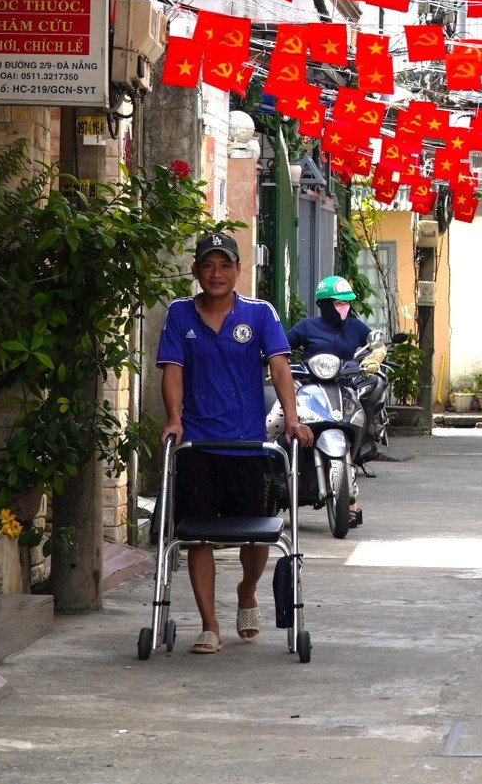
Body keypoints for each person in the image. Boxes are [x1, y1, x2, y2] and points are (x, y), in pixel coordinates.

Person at [158, 232, 312, 655]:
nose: (216, 274)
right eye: (208, 265)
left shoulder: (260, 314)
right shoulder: (179, 315)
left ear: (239, 270)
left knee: (257, 538)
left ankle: (247, 592)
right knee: (198, 536)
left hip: (248, 445)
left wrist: (292, 420)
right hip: (197, 445)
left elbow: (280, 369)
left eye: (224, 265)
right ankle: (209, 625)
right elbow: (172, 370)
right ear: (196, 272)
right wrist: (174, 419)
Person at [284, 275, 372, 522]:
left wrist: (376, 356)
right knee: (273, 422)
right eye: (338, 303)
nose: (344, 308)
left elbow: (376, 345)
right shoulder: (306, 327)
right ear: (324, 305)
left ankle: (350, 499)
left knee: (358, 423)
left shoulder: (355, 327)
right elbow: (281, 347)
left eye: (347, 303)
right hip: (308, 391)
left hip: (343, 391)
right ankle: (268, 474)